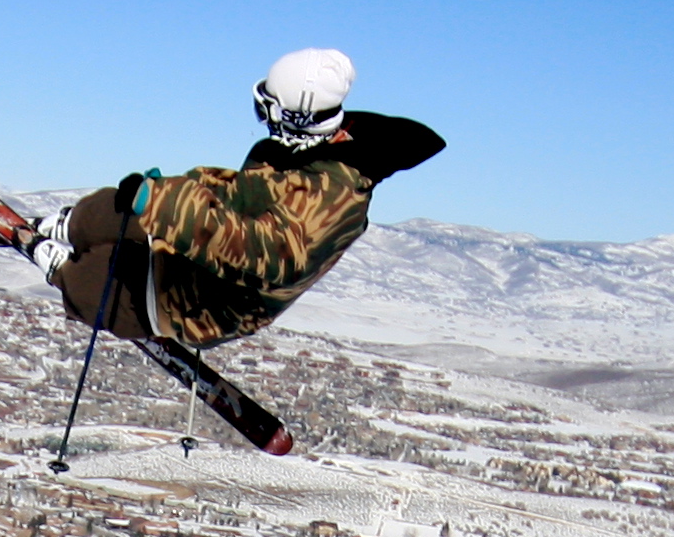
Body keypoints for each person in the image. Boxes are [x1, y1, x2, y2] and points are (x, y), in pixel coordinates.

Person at [26, 49, 444, 350]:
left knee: (97, 284)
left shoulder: (332, 199)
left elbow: (262, 252)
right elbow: (241, 192)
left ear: (294, 115)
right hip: (203, 259)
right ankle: (69, 226)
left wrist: (167, 205)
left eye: (267, 108)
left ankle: (67, 272)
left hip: (213, 304)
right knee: (109, 209)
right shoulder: (300, 151)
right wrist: (174, 191)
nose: (263, 120)